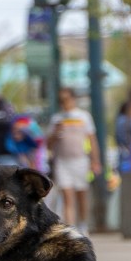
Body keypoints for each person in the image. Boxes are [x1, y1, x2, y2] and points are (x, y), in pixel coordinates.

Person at [47, 87, 101, 233]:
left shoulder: (84, 117)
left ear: (73, 99)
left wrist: (95, 160)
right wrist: (55, 133)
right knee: (67, 197)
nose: (64, 103)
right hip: (62, 161)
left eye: (66, 99)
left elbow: (92, 139)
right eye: (61, 100)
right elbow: (48, 143)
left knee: (81, 195)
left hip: (81, 161)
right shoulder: (57, 119)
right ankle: (71, 229)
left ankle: (83, 224)